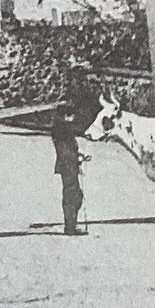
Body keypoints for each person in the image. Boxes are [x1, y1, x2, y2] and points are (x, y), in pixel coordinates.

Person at [50, 101, 88, 236]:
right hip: (68, 166)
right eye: (70, 115)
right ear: (65, 116)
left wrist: (79, 155)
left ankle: (71, 225)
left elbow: (69, 149)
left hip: (68, 165)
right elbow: (65, 151)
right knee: (72, 195)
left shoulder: (62, 129)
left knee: (75, 194)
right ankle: (70, 227)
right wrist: (77, 158)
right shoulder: (62, 131)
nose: (73, 118)